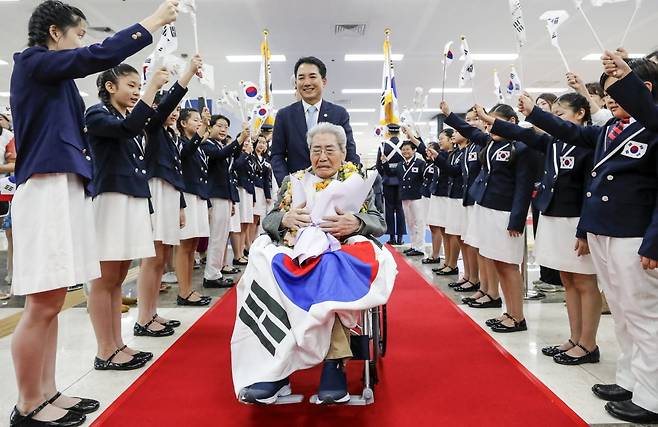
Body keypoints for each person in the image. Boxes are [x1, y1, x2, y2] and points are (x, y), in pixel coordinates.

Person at [8, 0, 178, 425]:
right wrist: (151, 23)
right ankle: (28, 403)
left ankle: (47, 393)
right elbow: (91, 59)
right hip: (45, 185)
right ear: (55, 33)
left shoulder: (53, 78)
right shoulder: (32, 62)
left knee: (54, 304)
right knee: (42, 305)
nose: (82, 42)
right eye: (79, 33)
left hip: (64, 184)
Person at [518, 57, 658, 424]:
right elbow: (574, 133)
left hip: (634, 234)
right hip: (604, 230)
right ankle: (630, 381)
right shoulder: (615, 128)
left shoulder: (653, 127)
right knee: (625, 316)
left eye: (615, 91)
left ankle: (653, 397)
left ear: (643, 90)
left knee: (645, 317)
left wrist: (655, 242)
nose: (609, 102)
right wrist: (535, 112)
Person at [240, 122, 386, 405]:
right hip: (296, 250)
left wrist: (356, 222)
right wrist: (284, 220)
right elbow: (269, 220)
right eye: (316, 150)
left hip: (341, 249)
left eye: (330, 150)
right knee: (267, 266)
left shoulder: (359, 180)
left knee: (328, 268)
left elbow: (378, 222)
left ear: (343, 153)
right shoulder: (293, 182)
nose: (322, 157)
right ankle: (275, 371)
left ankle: (334, 365)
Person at [477, 94, 602, 366]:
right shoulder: (554, 143)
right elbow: (525, 135)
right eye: (552, 113)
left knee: (584, 281)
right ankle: (574, 338)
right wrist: (491, 122)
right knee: (568, 280)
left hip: (577, 219)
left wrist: (585, 230)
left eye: (561, 114)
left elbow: (592, 190)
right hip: (554, 217)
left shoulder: (590, 144)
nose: (554, 119)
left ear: (580, 114)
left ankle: (589, 344)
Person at [86, 63, 168, 368]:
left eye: (138, 86)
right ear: (110, 87)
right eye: (131, 85)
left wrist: (177, 80)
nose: (136, 91)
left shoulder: (125, 118)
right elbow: (128, 128)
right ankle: (104, 350)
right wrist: (152, 89)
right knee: (105, 278)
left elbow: (143, 123)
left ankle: (117, 345)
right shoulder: (97, 114)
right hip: (111, 198)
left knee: (119, 276)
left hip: (132, 198)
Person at [442, 101, 534, 333]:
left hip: (505, 213)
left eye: (494, 122)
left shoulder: (522, 146)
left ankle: (518, 317)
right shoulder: (490, 143)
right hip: (486, 208)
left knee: (509, 266)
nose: (489, 127)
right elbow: (471, 131)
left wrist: (517, 219)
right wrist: (450, 114)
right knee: (498, 264)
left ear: (512, 123)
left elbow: (524, 187)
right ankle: (509, 311)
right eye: (487, 123)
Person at [140, 55, 208, 313]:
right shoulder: (154, 128)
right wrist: (188, 72)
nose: (175, 113)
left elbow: (179, 169)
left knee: (162, 256)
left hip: (170, 193)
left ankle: (151, 313)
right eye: (172, 109)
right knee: (155, 257)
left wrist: (179, 205)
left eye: (178, 111)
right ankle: (145, 317)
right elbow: (166, 103)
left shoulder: (170, 135)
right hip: (157, 190)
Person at [270, 56, 360, 185]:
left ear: (324, 81)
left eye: (312, 77)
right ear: (296, 83)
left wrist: (350, 181)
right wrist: (288, 184)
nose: (307, 82)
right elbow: (277, 155)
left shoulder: (339, 114)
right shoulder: (284, 115)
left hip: (334, 188)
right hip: (298, 189)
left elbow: (349, 152)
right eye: (301, 78)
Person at [202, 115, 248, 288]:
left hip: (225, 195)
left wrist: (242, 140)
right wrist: (239, 139)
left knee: (221, 236)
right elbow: (221, 155)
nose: (223, 130)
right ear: (210, 127)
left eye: (226, 127)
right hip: (215, 195)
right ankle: (211, 275)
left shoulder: (220, 145)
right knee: (216, 236)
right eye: (220, 126)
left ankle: (216, 271)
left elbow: (232, 156)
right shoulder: (207, 145)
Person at [175, 108, 214, 301]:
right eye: (195, 120)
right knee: (184, 245)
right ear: (183, 124)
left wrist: (206, 203)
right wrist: (205, 126)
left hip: (198, 195)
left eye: (200, 120)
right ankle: (183, 291)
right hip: (187, 195)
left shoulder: (199, 146)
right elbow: (187, 151)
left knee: (192, 245)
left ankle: (189, 288)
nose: (199, 122)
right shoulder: (182, 143)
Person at [385, 140, 425, 256]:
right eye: (403, 149)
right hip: (405, 196)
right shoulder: (400, 165)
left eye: (408, 149)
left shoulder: (419, 163)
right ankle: (413, 245)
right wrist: (384, 162)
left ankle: (420, 247)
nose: (405, 151)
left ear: (414, 150)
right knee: (410, 222)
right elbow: (390, 173)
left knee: (419, 222)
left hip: (417, 196)